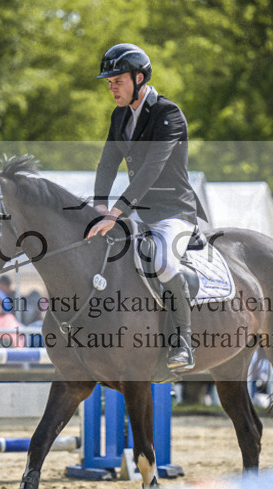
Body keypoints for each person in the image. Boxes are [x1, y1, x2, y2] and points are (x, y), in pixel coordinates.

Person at [86, 43, 208, 371]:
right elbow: (108, 162)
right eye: (109, 83)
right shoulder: (120, 116)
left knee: (165, 262)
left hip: (173, 212)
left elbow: (152, 171)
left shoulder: (169, 114)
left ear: (139, 78)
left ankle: (182, 343)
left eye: (117, 81)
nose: (111, 88)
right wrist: (99, 205)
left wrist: (116, 212)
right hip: (137, 214)